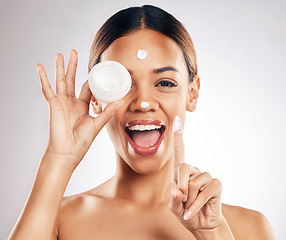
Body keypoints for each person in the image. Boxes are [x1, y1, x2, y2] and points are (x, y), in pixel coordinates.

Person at [9, 5, 275, 240]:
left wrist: (211, 233)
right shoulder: (57, 221)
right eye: (122, 84)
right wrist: (59, 158)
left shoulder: (249, 228)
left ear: (192, 92)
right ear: (97, 96)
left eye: (165, 83)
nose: (143, 102)